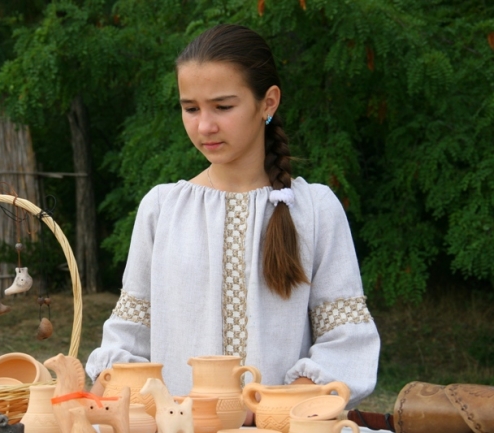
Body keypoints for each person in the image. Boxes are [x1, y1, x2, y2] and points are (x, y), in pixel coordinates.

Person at [86, 23, 380, 411]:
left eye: (223, 107)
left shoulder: (314, 209)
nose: (204, 126)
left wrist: (277, 406)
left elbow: (346, 338)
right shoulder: (161, 209)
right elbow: (130, 335)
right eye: (190, 108)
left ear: (268, 103)